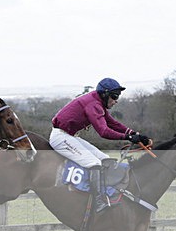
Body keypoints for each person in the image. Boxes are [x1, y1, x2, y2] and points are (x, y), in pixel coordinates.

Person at [50, 78, 150, 212]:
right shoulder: (93, 105)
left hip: (69, 136)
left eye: (117, 97)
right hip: (61, 137)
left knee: (104, 159)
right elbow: (103, 131)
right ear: (104, 94)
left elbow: (113, 123)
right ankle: (98, 201)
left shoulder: (97, 102)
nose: (116, 101)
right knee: (94, 163)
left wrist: (134, 133)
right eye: (114, 97)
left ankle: (108, 192)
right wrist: (129, 137)